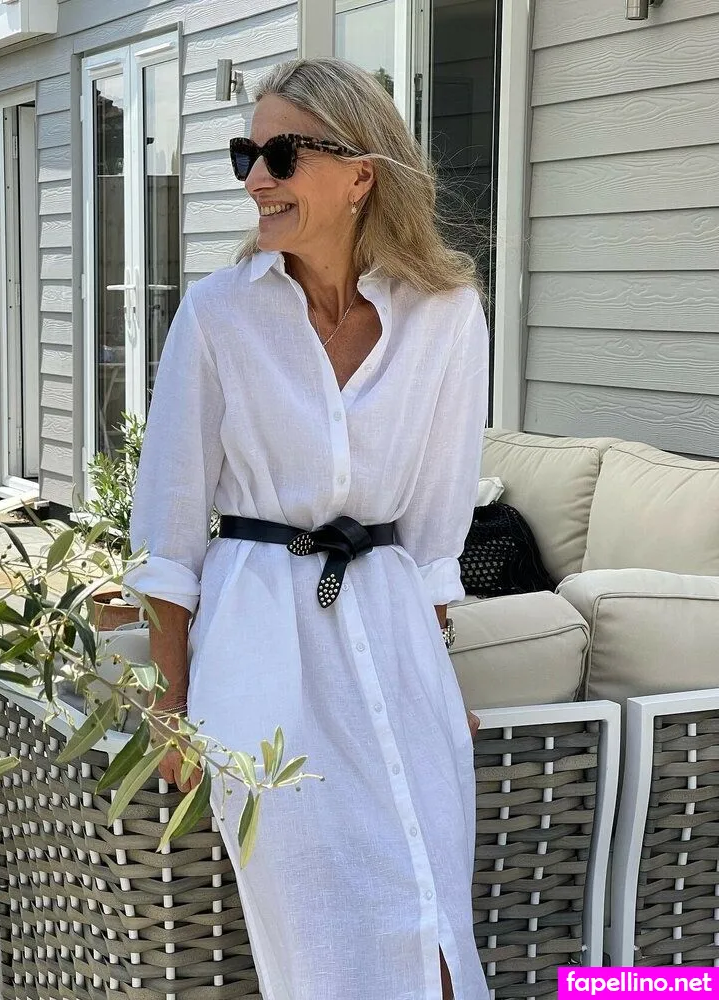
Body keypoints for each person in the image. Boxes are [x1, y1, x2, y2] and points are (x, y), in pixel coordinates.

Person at [125, 57, 489, 1000]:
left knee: (435, 920)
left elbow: (435, 532)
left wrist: (438, 682)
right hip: (263, 646)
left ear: (361, 173)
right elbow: (168, 532)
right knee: (318, 921)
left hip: (393, 635)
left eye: (281, 155)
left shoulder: (448, 314)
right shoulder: (217, 314)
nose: (256, 178)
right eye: (245, 155)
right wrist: (170, 707)